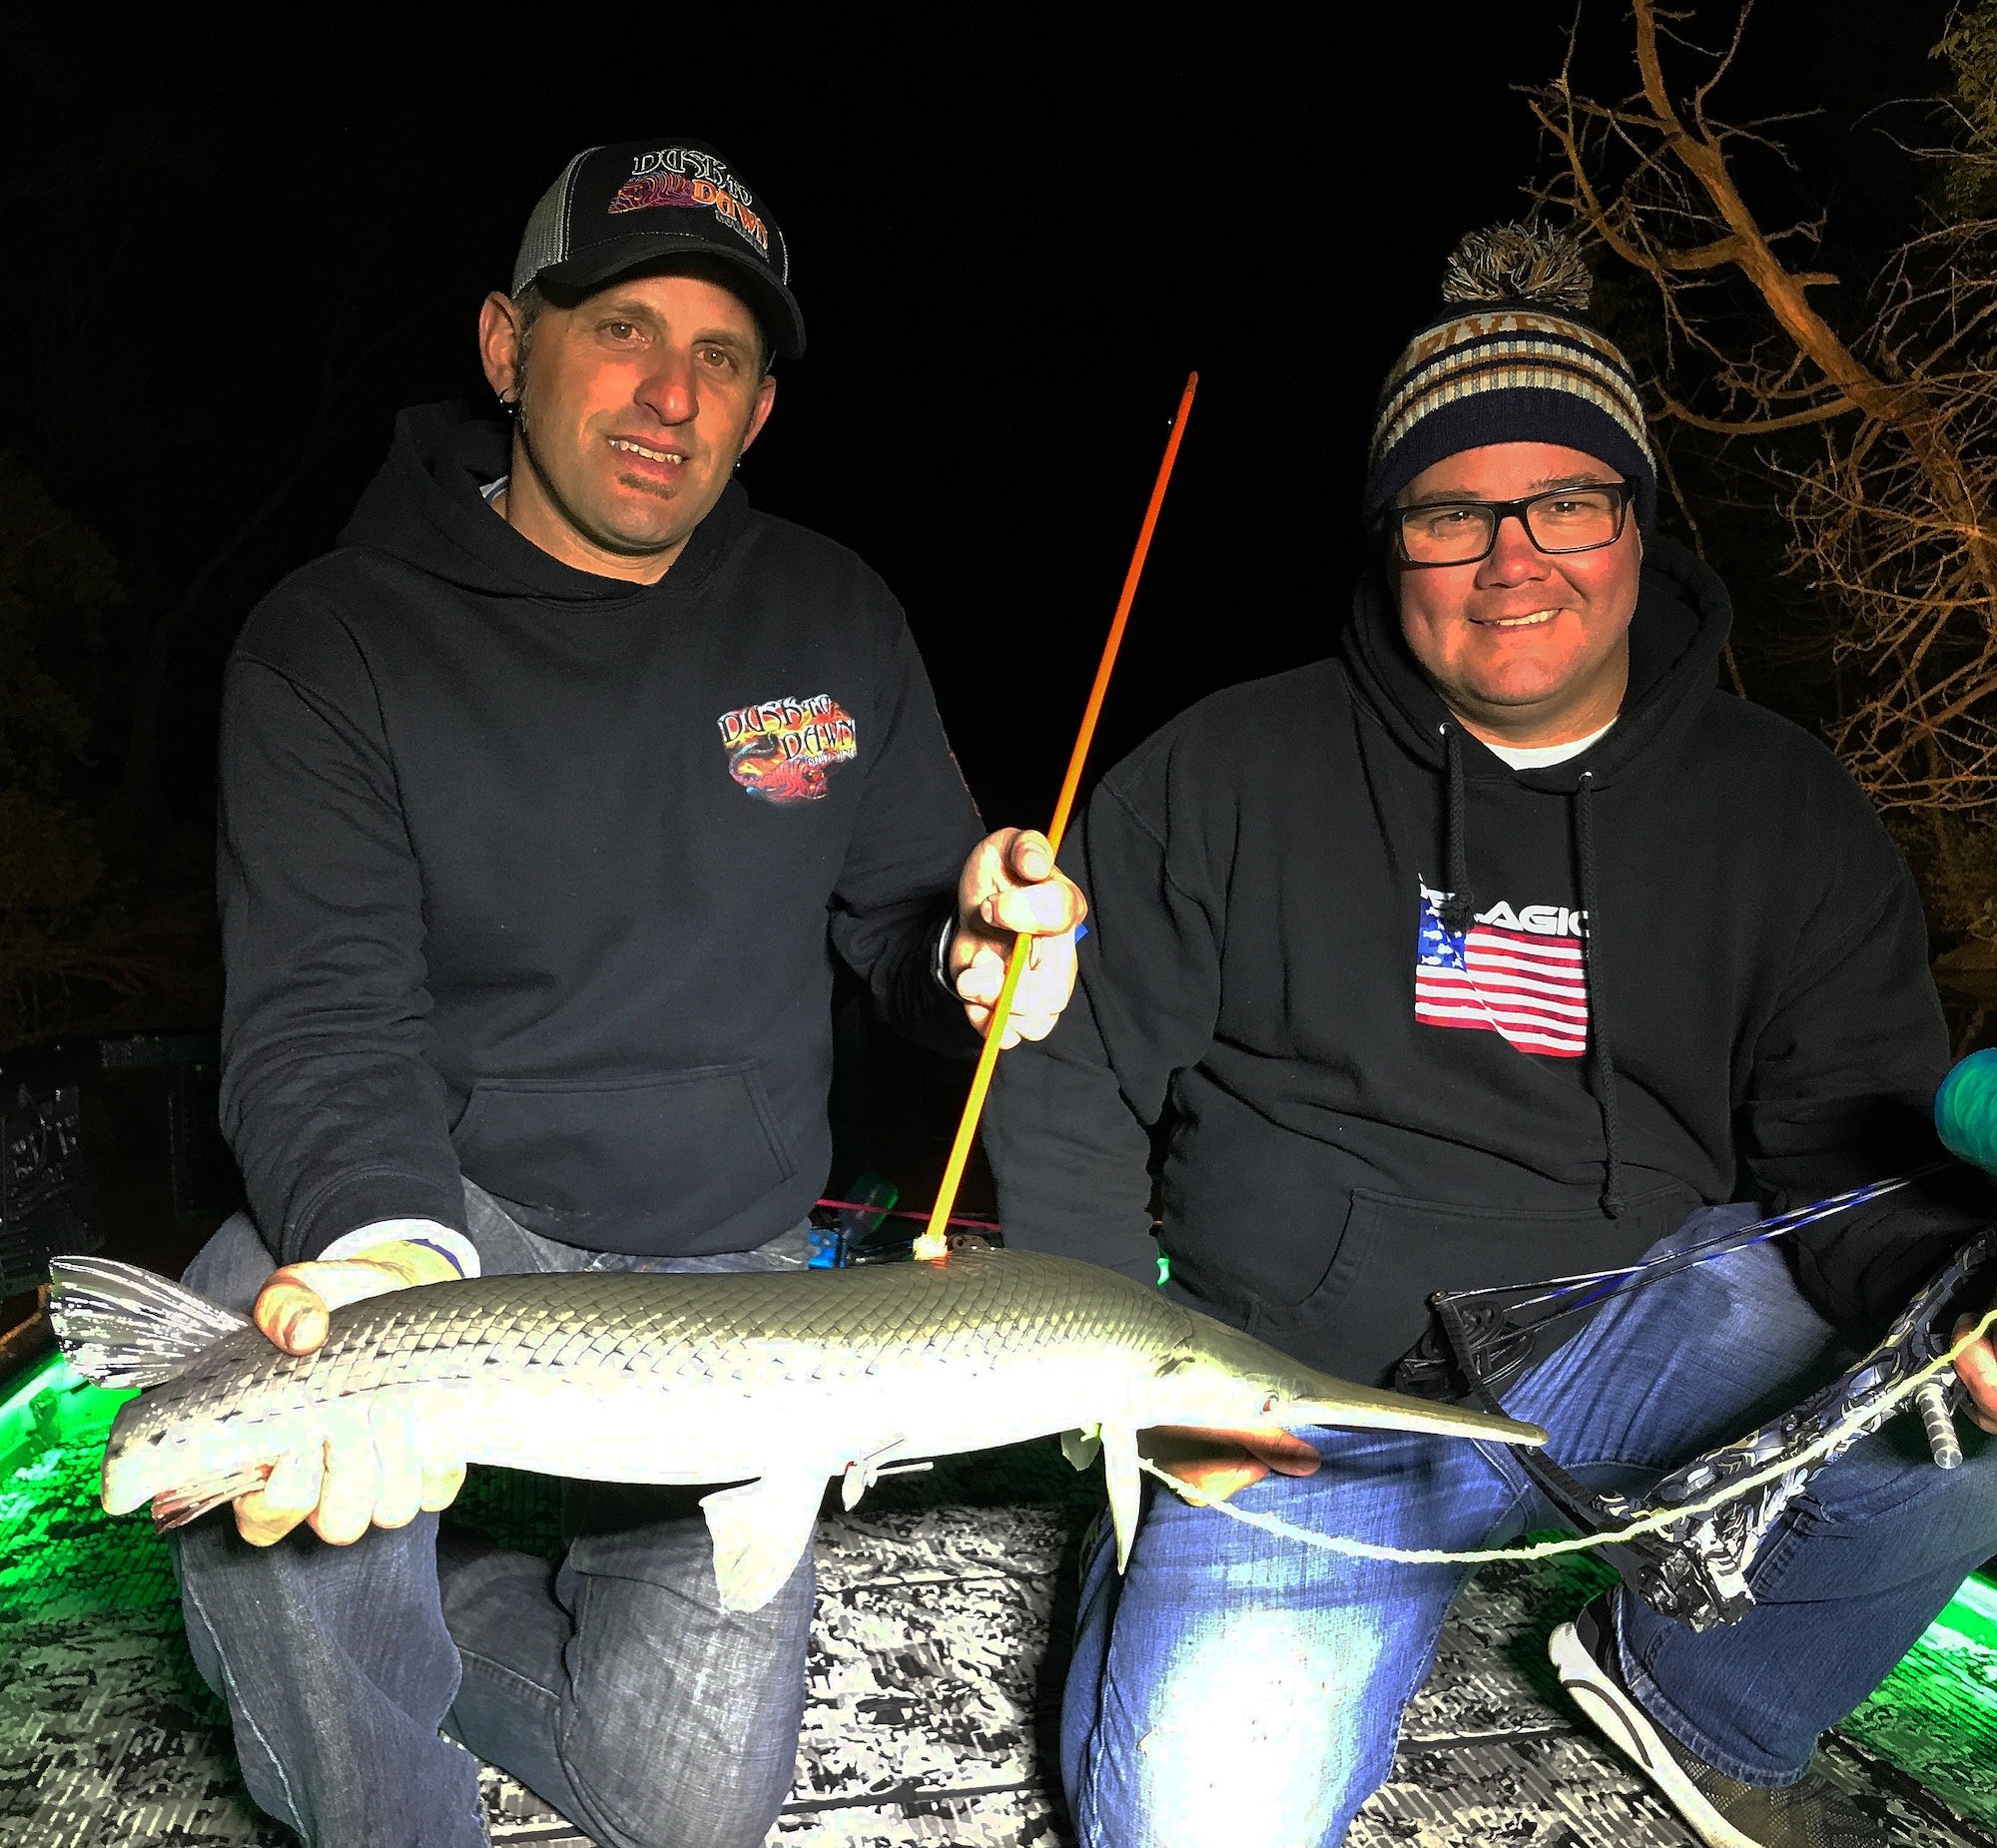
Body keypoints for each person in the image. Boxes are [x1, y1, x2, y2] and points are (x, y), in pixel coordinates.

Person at [985, 222, 1997, 1848]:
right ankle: (1156, 1584)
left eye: (1566, 502)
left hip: (1634, 1327)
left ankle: (1693, 1696)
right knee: (1195, 1818)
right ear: (1394, 542)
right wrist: (1144, 1384)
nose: (1511, 556)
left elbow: (1857, 1149)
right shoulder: (1227, 768)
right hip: (1294, 1389)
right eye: (1453, 512)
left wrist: (1948, 1301)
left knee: (1948, 1407)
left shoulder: (1785, 811)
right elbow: (1069, 1061)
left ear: (1639, 526)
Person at [177, 138, 1084, 1848]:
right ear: (511, 346)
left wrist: (979, 961)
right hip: (465, 1223)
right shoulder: (332, 640)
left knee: (687, 1819)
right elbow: (319, 1019)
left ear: (758, 414)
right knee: (255, 1324)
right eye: (621, 331)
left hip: (739, 1273)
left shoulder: (831, 609)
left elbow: (913, 921)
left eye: (723, 357)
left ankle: (443, 1607)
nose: (671, 393)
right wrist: (382, 1254)